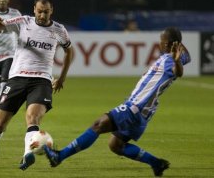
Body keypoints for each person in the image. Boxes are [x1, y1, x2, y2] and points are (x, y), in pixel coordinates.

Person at [44, 27, 191, 177]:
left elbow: (177, 72)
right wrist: (178, 48)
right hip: (143, 112)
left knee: (98, 125)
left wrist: (177, 60)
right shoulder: (171, 56)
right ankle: (156, 163)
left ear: (168, 44)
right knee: (116, 145)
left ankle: (59, 156)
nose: (159, 44)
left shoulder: (170, 61)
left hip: (135, 107)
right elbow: (188, 57)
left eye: (162, 41)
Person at [0, 0, 73, 171]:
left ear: (51, 11)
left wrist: (62, 77)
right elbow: (1, 24)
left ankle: (27, 154)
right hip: (17, 78)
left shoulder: (59, 30)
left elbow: (69, 51)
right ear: (34, 9)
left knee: (33, 118)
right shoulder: (23, 22)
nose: (42, 15)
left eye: (46, 12)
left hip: (41, 81)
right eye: (39, 11)